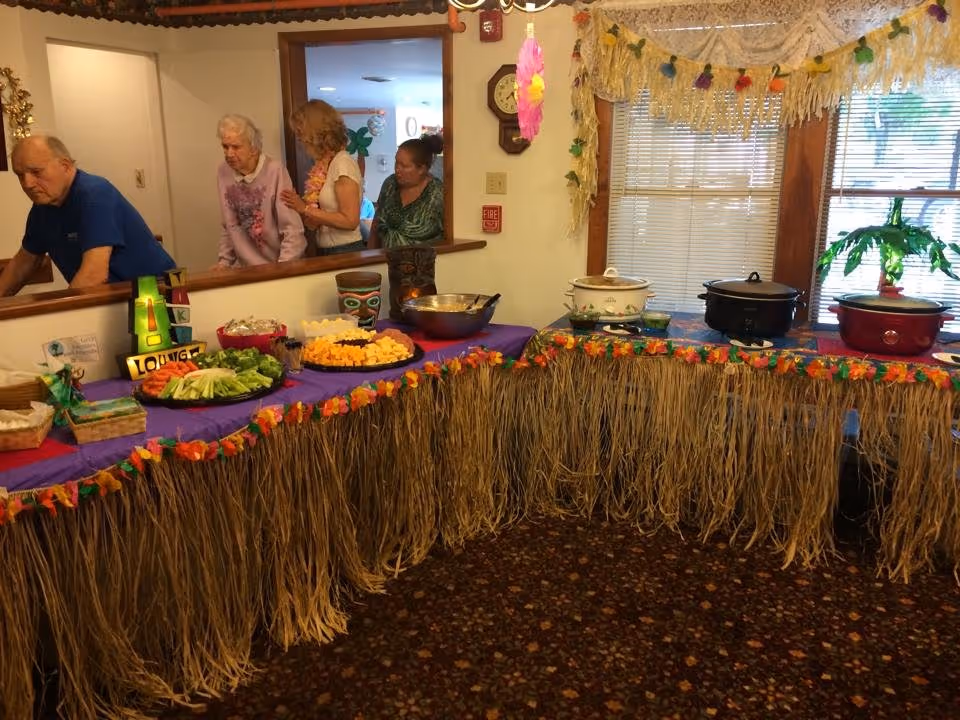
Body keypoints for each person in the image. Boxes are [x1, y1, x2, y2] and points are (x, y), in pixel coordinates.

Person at [0, 135, 176, 296]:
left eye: (36, 172)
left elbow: (94, 275)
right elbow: (24, 263)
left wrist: (61, 317)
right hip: (116, 302)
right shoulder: (43, 209)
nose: (27, 183)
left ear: (65, 166)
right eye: (20, 175)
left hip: (157, 298)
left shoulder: (95, 194)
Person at [215, 114, 306, 268]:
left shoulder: (275, 170)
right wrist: (223, 262)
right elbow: (229, 224)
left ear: (254, 149)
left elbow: (292, 229)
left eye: (236, 147)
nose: (229, 153)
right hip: (247, 269)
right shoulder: (223, 172)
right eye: (225, 146)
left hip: (281, 264)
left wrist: (282, 268)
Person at [280, 100, 364, 255]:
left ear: (316, 131)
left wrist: (305, 209)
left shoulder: (342, 163)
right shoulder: (326, 164)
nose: (299, 138)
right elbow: (324, 217)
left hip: (345, 251)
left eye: (300, 131)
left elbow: (350, 220)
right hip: (326, 249)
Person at [367, 134, 445, 249]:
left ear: (422, 169)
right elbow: (375, 226)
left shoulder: (438, 193)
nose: (397, 169)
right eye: (396, 163)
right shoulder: (389, 184)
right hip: (383, 262)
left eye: (404, 166)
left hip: (423, 264)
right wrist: (370, 257)